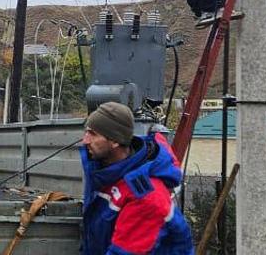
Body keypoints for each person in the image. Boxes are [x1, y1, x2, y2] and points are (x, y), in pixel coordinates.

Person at [80, 102, 194, 255]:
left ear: (115, 141)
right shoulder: (105, 172)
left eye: (93, 134)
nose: (85, 140)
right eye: (86, 132)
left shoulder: (145, 197)